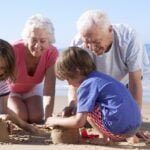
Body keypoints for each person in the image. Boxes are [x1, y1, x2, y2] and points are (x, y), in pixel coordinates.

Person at [46, 46, 141, 143]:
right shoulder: (100, 78)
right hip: (135, 127)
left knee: (87, 108)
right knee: (87, 105)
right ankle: (130, 136)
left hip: (117, 130)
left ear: (77, 71)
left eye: (68, 79)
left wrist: (55, 120)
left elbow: (79, 122)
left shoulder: (86, 85)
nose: (69, 84)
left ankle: (104, 138)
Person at [68, 10, 149, 111]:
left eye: (96, 42)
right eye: (87, 43)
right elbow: (73, 79)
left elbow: (135, 81)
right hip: (97, 83)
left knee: (125, 116)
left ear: (110, 29)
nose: (92, 48)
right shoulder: (77, 44)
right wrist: (73, 104)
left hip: (126, 82)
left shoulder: (129, 37)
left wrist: (136, 115)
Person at [7, 14, 58, 124]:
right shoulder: (13, 49)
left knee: (36, 117)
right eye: (33, 40)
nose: (37, 46)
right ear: (26, 38)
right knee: (21, 116)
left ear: (49, 41)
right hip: (10, 89)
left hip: (32, 88)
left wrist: (48, 119)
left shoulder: (52, 52)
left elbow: (49, 89)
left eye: (43, 41)